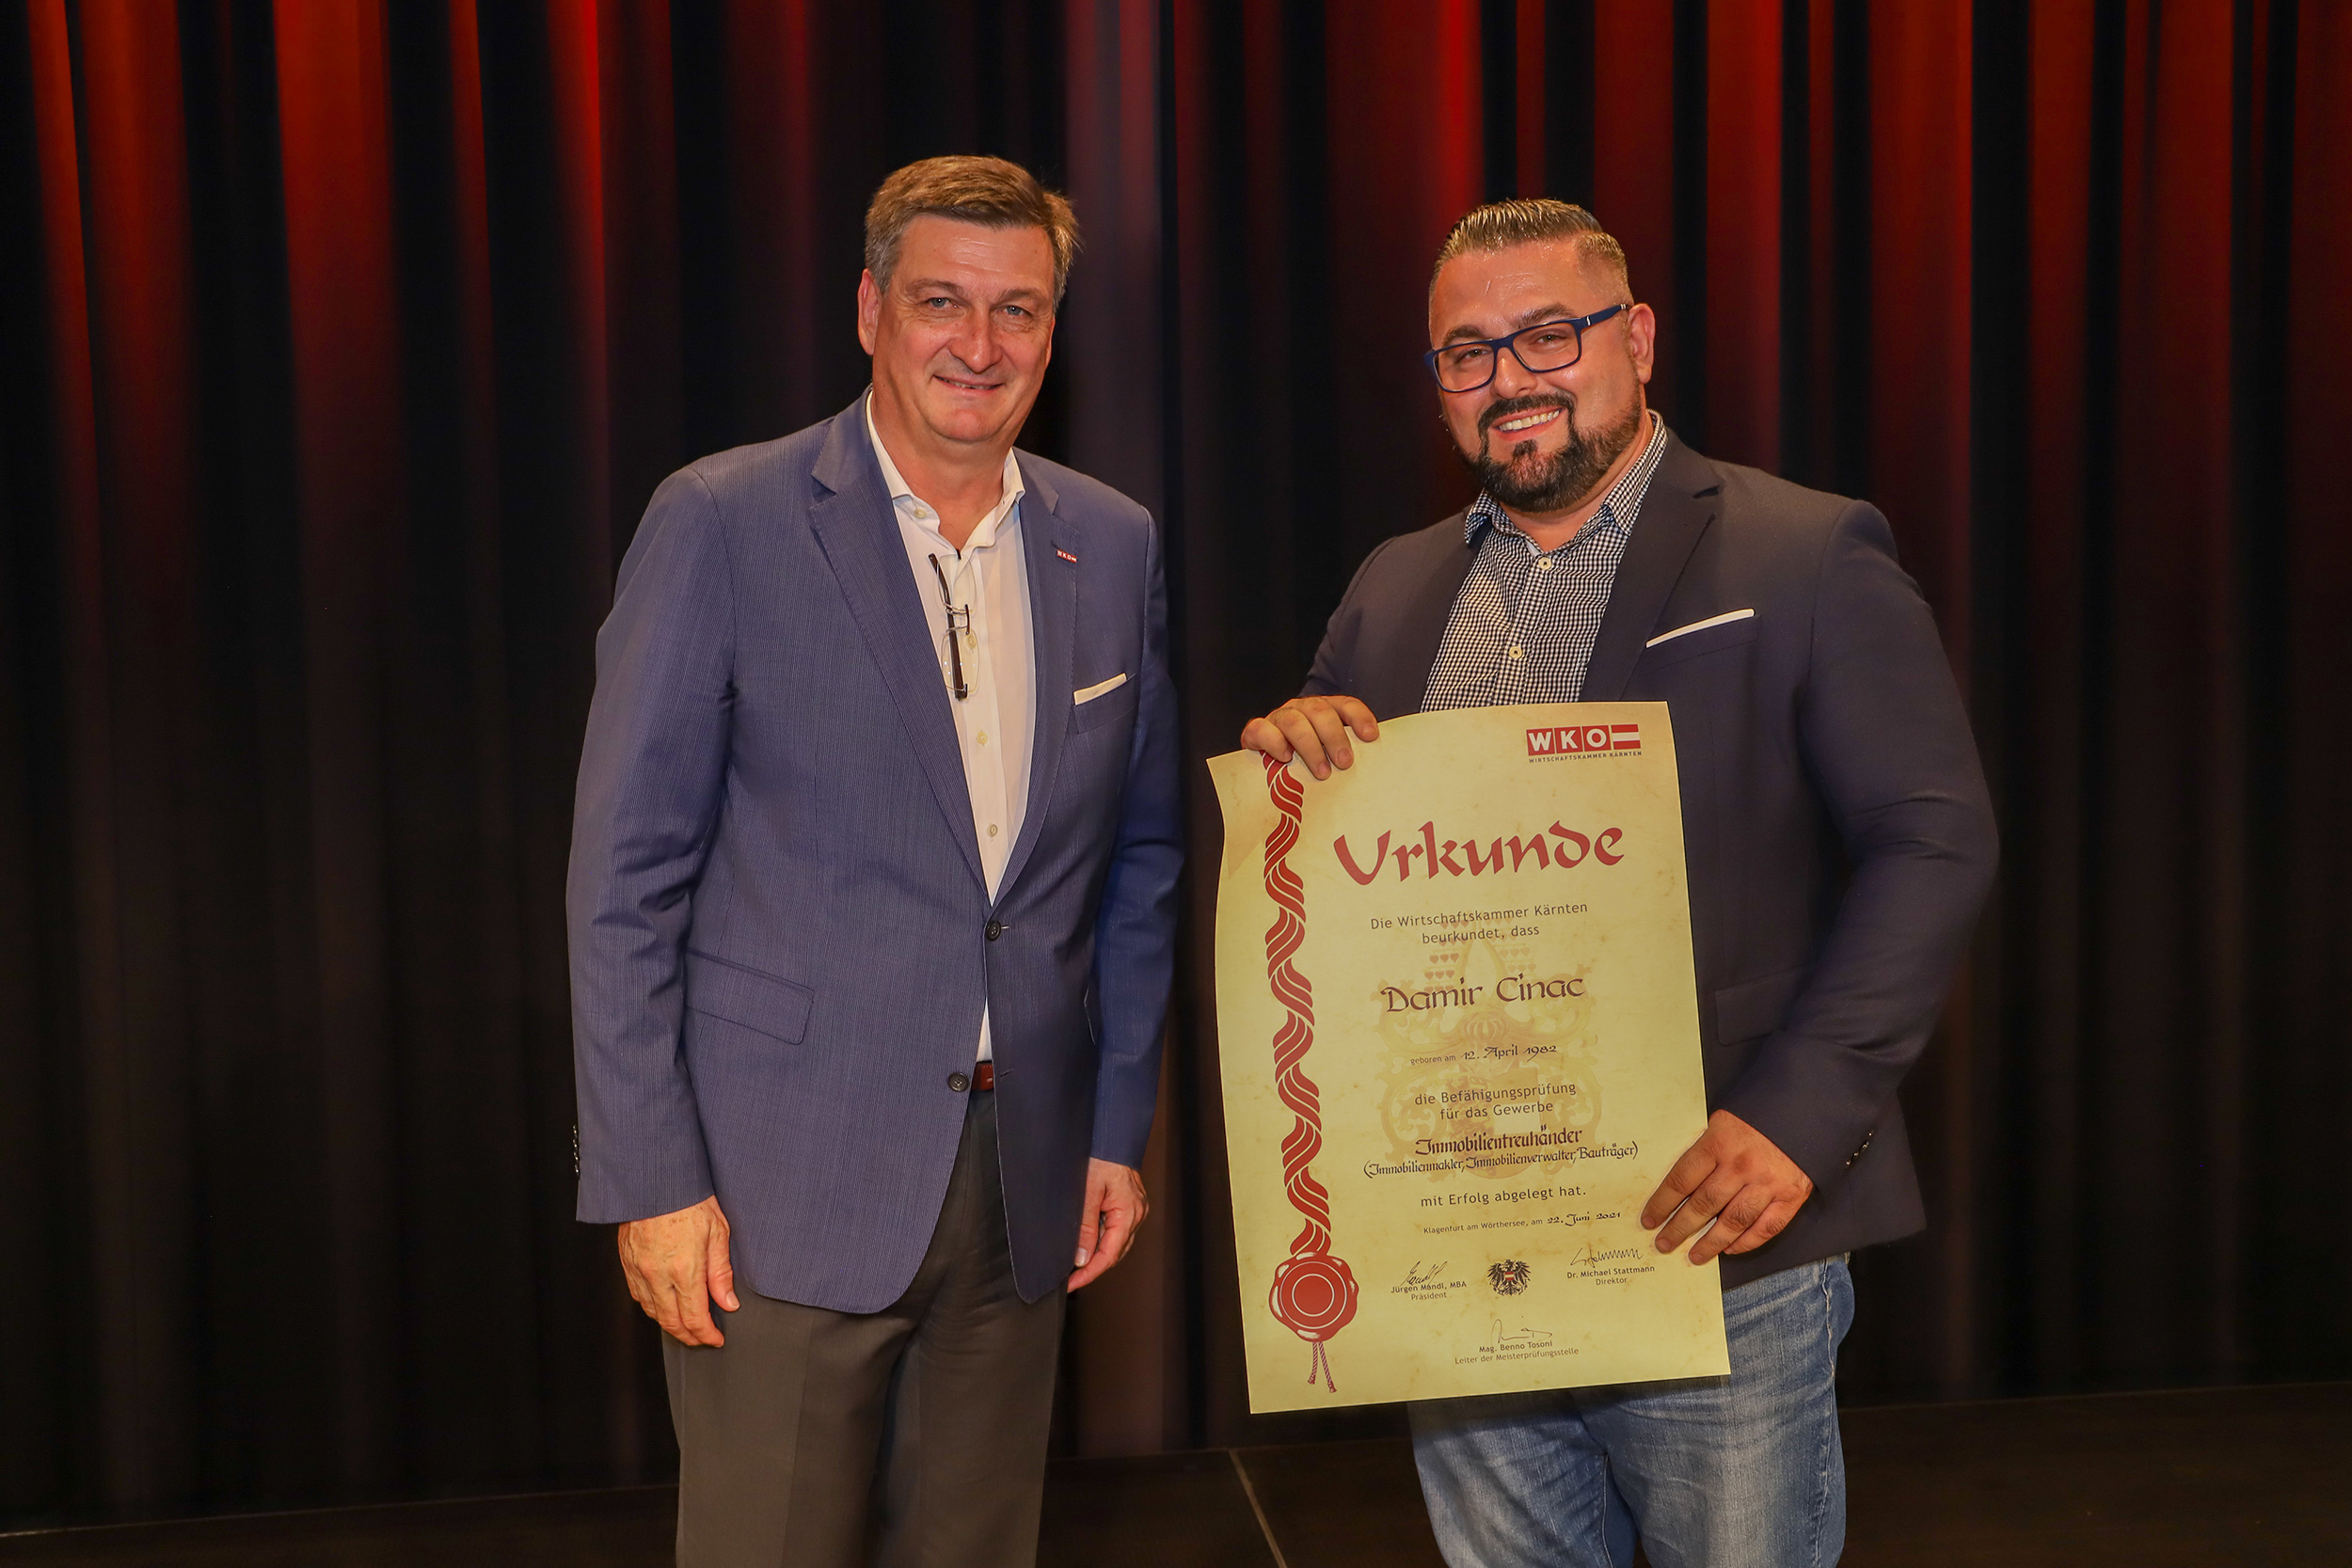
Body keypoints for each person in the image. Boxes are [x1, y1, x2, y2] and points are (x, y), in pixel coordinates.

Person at [1242, 198, 1996, 1568]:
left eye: (1549, 334)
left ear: (1636, 340)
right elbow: (1340, 860)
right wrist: (1298, 751)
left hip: (1715, 1234)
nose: (1508, 377)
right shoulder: (1393, 587)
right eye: (1466, 352)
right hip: (1459, 1242)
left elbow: (1932, 843)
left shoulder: (1805, 551)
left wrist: (1795, 1119)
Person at [569, 155, 1182, 1568]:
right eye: (941, 302)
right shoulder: (724, 519)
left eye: (1018, 309)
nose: (980, 344)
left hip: (1023, 1182)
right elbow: (623, 882)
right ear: (868, 310)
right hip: (773, 1189)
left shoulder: (1111, 540)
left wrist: (1112, 1127)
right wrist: (650, 1176)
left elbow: (1138, 864)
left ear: (1053, 330)